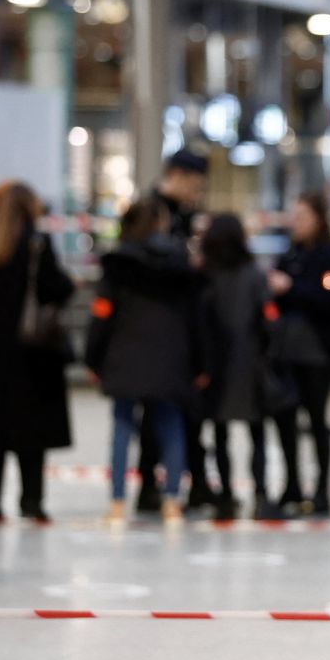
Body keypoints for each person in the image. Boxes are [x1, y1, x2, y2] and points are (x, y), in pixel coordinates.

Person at [0, 182, 75, 523]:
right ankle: (32, 500)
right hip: (32, 353)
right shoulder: (37, 246)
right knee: (32, 431)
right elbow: (58, 288)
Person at [86, 199, 206, 525]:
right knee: (171, 426)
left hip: (124, 353)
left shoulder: (118, 263)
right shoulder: (180, 263)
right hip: (170, 355)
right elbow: (195, 318)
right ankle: (171, 501)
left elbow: (102, 314)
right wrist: (200, 362)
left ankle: (116, 503)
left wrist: (93, 357)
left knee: (123, 427)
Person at [268, 192, 330, 517]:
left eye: (303, 217)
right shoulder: (290, 255)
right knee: (285, 419)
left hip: (318, 353)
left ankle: (322, 490)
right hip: (286, 352)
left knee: (317, 420)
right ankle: (291, 485)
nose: (296, 223)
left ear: (319, 219)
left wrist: (291, 287)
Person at [200, 213, 293, 521]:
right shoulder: (253, 274)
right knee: (257, 434)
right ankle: (261, 495)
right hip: (250, 364)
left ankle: (225, 496)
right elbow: (269, 321)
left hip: (216, 367)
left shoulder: (206, 275)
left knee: (220, 434)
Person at [135, 149, 212, 512]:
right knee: (154, 411)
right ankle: (149, 482)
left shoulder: (189, 215)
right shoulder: (151, 211)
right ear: (178, 176)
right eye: (195, 184)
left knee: (192, 410)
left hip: (189, 327)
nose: (198, 193)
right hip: (156, 326)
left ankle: (196, 482)